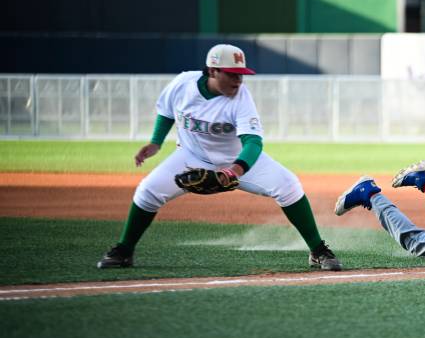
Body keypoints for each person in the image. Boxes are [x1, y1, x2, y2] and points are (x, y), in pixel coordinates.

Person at [97, 44, 342, 271]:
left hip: (237, 159)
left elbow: (254, 142)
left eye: (241, 74)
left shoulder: (241, 97)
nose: (239, 79)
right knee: (147, 192)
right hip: (190, 156)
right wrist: (155, 142)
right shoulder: (183, 83)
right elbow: (167, 111)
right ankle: (124, 251)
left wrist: (234, 170)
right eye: (232, 74)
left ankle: (318, 250)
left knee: (289, 186)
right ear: (213, 71)